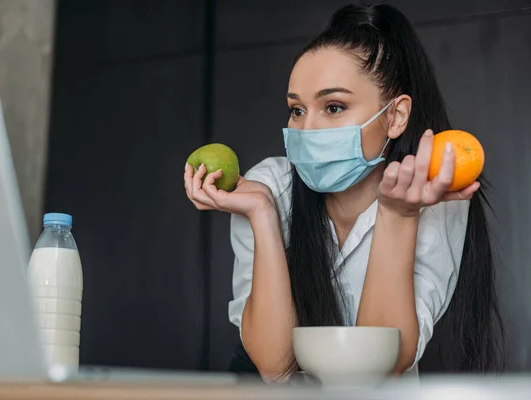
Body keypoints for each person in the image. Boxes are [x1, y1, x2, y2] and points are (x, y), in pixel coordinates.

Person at [183, 3, 505, 381]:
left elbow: (377, 369)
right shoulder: (269, 186)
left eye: (334, 107)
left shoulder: (431, 196)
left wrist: (397, 215)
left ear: (395, 115)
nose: (307, 130)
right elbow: (274, 367)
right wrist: (262, 215)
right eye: (297, 110)